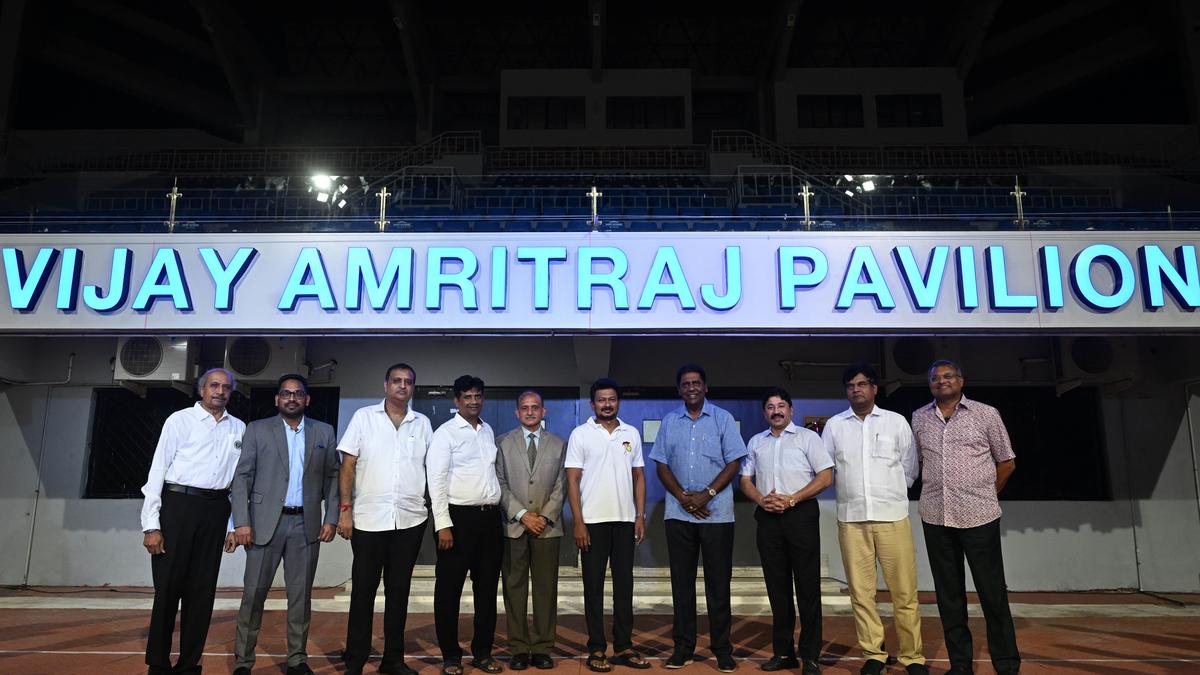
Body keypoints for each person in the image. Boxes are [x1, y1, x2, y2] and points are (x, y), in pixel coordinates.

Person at [912, 360, 1020, 675]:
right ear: (930, 384)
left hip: (979, 516)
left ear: (962, 380)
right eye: (935, 378)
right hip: (935, 516)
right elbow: (919, 460)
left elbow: (1007, 461)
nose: (941, 381)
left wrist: (988, 493)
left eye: (948, 376)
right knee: (949, 596)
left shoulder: (986, 414)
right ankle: (960, 665)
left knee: (992, 593)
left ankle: (1006, 663)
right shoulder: (919, 417)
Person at [230, 373, 339, 675]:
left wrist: (331, 517)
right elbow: (241, 478)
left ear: (307, 399)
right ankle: (243, 661)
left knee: (301, 598)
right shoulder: (257, 430)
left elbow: (332, 478)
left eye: (298, 393)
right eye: (286, 393)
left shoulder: (324, 432)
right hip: (263, 526)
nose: (292, 398)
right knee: (253, 596)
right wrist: (241, 522)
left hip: (306, 526)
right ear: (277, 399)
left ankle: (296, 660)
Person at [821, 364, 927, 675]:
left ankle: (912, 657)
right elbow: (827, 469)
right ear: (846, 391)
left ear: (874, 388)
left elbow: (910, 468)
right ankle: (874, 654)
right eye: (851, 385)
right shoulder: (835, 426)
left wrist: (889, 493)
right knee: (861, 593)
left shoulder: (895, 422)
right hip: (852, 520)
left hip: (892, 517)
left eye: (863, 384)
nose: (857, 389)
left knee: (904, 592)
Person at [140, 368, 246, 675]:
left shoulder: (238, 428)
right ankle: (158, 664)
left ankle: (189, 665)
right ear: (201, 390)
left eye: (226, 387)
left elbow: (237, 482)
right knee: (168, 590)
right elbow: (157, 471)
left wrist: (231, 525)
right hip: (178, 506)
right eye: (214, 385)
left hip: (216, 510)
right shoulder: (179, 420)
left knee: (202, 593)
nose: (220, 391)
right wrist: (152, 525)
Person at [650, 363, 748, 672]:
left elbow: (734, 461)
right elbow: (661, 464)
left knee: (719, 585)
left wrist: (706, 494)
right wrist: (683, 496)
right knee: (682, 585)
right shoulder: (669, 421)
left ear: (705, 387)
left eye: (696, 383)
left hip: (717, 514)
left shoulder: (722, 419)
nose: (691, 388)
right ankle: (683, 648)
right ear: (679, 390)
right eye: (685, 384)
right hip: (679, 514)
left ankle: (722, 649)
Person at [337, 363, 433, 675]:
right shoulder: (364, 418)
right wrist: (345, 510)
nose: (402, 386)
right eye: (396, 381)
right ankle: (355, 659)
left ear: (413, 388)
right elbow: (348, 466)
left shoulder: (423, 423)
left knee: (398, 593)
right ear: (386, 385)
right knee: (363, 593)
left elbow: (432, 470)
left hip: (410, 521)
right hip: (367, 520)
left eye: (408, 382)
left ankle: (393, 660)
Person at [739, 387, 832, 675]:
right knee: (777, 589)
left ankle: (810, 655)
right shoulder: (756, 441)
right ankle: (783, 653)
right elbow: (745, 480)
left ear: (791, 409)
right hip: (767, 518)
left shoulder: (808, 438)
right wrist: (761, 500)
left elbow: (826, 476)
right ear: (764, 412)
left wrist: (793, 498)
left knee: (807, 588)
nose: (776, 411)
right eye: (770, 406)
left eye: (781, 405)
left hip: (800, 515)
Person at [565, 378, 650, 673]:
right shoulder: (580, 434)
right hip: (592, 523)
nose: (607, 404)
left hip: (625, 521)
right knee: (593, 587)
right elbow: (572, 481)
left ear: (618, 402)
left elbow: (639, 476)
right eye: (601, 400)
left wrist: (639, 515)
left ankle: (624, 645)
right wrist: (578, 522)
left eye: (612, 399)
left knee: (624, 586)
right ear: (592, 404)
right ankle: (597, 647)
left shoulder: (631, 433)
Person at [428, 375, 505, 675]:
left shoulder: (487, 431)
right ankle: (450, 655)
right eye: (467, 396)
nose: (473, 400)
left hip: (489, 520)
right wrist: (442, 525)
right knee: (448, 592)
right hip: (457, 520)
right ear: (456, 401)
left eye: (478, 395)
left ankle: (483, 652)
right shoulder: (445, 433)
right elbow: (435, 481)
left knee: (486, 591)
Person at [496, 391, 567, 670]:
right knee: (514, 589)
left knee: (545, 589)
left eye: (534, 407)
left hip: (547, 529)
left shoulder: (560, 444)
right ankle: (517, 647)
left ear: (543, 411)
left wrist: (544, 517)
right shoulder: (502, 442)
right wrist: (524, 515)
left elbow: (562, 486)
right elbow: (499, 484)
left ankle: (541, 647)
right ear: (517, 413)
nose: (529, 412)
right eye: (524, 408)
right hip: (514, 526)